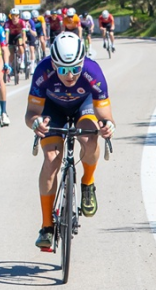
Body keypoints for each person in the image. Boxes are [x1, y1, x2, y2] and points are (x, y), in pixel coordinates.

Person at [24, 32, 115, 250]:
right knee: (52, 159)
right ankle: (46, 226)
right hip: (51, 109)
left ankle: (87, 183)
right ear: (54, 64)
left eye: (75, 69)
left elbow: (105, 115)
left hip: (83, 106)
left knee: (89, 137)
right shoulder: (42, 72)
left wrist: (108, 126)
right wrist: (36, 123)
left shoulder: (93, 71)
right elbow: (31, 113)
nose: (70, 75)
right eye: (64, 70)